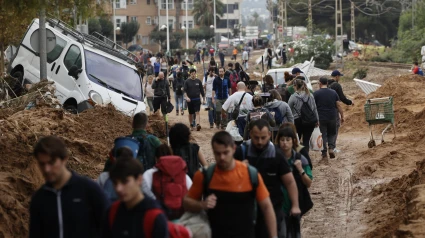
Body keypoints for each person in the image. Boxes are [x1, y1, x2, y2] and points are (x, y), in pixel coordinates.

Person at [183, 131, 278, 238]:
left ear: (233, 149)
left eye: (225, 152)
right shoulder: (204, 176)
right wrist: (202, 205)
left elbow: (266, 207)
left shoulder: (250, 175)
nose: (222, 157)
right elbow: (187, 202)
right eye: (218, 153)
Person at [30, 136, 109, 238]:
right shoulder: (39, 198)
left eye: (51, 162)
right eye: (42, 164)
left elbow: (110, 227)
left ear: (64, 159)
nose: (47, 169)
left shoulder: (89, 190)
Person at [234, 119, 301, 238]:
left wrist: (295, 205)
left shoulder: (276, 154)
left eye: (263, 138)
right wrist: (240, 170)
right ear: (250, 135)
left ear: (269, 135)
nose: (260, 142)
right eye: (256, 138)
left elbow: (290, 181)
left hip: (272, 207)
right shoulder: (241, 152)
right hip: (246, 209)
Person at [101, 154, 169, 238]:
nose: (118, 189)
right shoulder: (112, 212)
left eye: (124, 182)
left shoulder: (154, 217)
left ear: (139, 179)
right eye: (115, 183)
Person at [274, 126, 313, 235]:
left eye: (288, 140)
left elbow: (308, 183)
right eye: (282, 140)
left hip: (294, 204)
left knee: (294, 232)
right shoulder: (273, 158)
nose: (285, 143)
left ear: (293, 141)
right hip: (278, 205)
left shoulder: (300, 159)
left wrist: (301, 170)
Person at [142, 144, 193, 220]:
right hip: (181, 219)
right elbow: (192, 196)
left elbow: (142, 197)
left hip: (156, 218)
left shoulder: (149, 174)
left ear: (156, 158)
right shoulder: (183, 175)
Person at [313, 77, 345, 159]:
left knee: (323, 134)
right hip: (332, 117)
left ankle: (324, 152)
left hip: (321, 117)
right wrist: (342, 116)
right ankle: (331, 148)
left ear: (320, 83)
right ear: (327, 83)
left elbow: (313, 108)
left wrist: (314, 119)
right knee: (332, 133)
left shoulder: (316, 93)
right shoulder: (333, 92)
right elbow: (338, 105)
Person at [288, 79, 319, 152]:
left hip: (297, 121)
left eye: (293, 86)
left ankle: (298, 156)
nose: (293, 87)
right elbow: (314, 109)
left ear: (296, 86)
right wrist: (317, 120)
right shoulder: (310, 95)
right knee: (306, 140)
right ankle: (306, 157)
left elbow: (289, 109)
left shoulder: (293, 97)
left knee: (297, 140)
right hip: (310, 120)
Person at [328, 70, 353, 152]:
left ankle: (327, 147)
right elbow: (342, 98)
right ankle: (333, 147)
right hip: (334, 109)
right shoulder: (337, 85)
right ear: (337, 76)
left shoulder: (326, 84)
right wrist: (350, 102)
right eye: (339, 77)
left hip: (324, 111)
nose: (339, 78)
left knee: (327, 128)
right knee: (335, 126)